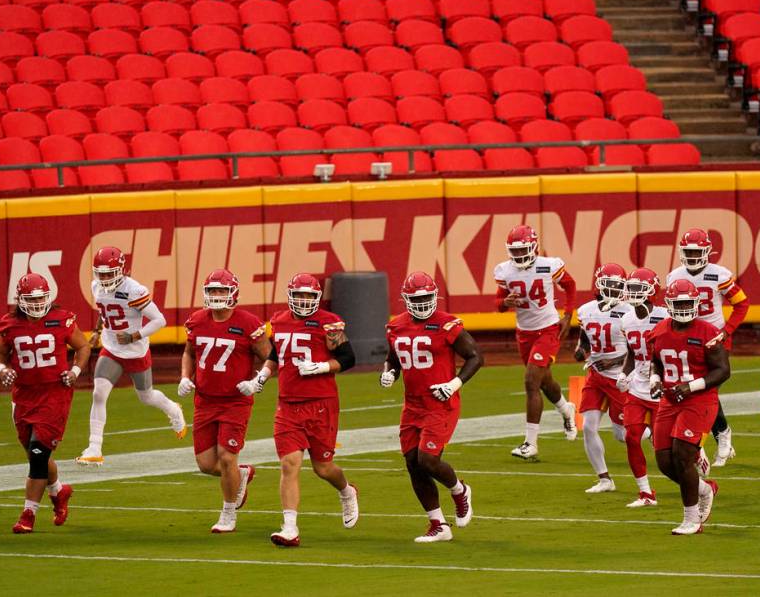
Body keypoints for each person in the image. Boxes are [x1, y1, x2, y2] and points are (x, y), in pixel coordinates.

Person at [243, 273, 360, 547]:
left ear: (317, 298)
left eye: (309, 296)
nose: (304, 300)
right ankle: (290, 528)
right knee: (289, 464)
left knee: (323, 468)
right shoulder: (281, 320)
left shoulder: (328, 323)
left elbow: (348, 357)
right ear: (290, 295)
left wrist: (322, 367)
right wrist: (262, 376)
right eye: (300, 295)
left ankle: (346, 491)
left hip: (321, 404)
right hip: (288, 405)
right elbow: (276, 353)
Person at [382, 271, 484, 542]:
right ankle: (438, 524)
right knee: (413, 464)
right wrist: (390, 372)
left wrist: (454, 384)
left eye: (427, 297)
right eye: (417, 298)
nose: (423, 303)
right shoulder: (397, 326)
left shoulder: (447, 324)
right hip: (412, 405)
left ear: (435, 296)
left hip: (441, 403)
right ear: (405, 299)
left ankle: (459, 490)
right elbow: (393, 357)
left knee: (427, 459)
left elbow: (475, 357)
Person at [0, 273, 90, 533]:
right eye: (30, 299)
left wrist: (75, 372)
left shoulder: (61, 319)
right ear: (20, 300)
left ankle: (28, 514)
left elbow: (83, 347)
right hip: (23, 396)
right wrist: (2, 369)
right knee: (35, 453)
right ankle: (59, 491)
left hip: (54, 395)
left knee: (37, 453)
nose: (36, 304)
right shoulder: (11, 324)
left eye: (40, 299)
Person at [179, 269, 271, 534]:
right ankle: (240, 475)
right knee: (207, 465)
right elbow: (189, 353)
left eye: (221, 290)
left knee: (227, 457)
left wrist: (257, 381)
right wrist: (185, 377)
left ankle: (228, 513)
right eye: (212, 291)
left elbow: (270, 357)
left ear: (233, 293)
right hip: (205, 400)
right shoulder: (197, 320)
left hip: (235, 401)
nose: (216, 296)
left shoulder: (248, 323)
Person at [77, 246, 185, 465]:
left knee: (146, 396)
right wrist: (98, 331)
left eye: (109, 273)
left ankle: (173, 409)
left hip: (135, 351)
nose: (105, 278)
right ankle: (94, 448)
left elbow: (159, 320)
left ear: (120, 270)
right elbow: (104, 311)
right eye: (101, 273)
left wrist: (136, 335)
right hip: (111, 348)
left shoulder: (134, 290)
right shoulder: (96, 285)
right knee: (98, 394)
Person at [648, 279, 730, 535]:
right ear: (669, 304)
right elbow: (656, 362)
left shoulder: (707, 332)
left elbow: (723, 371)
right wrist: (655, 379)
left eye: (687, 303)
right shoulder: (658, 331)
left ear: (696, 304)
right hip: (670, 399)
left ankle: (691, 519)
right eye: (678, 303)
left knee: (682, 455)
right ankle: (705, 488)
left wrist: (691, 386)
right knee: (663, 460)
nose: (683, 308)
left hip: (699, 400)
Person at [667, 228, 749, 467]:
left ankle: (714, 438)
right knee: (700, 392)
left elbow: (742, 304)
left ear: (706, 251)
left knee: (705, 390)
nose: (692, 256)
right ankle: (718, 435)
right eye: (688, 252)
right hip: (686, 337)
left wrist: (727, 331)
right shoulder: (674, 276)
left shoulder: (719, 274)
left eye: (696, 251)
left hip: (713, 338)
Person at [494, 224, 578, 459]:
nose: (519, 256)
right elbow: (499, 304)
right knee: (543, 380)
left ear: (534, 247)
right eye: (515, 251)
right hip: (524, 332)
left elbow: (569, 285)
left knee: (531, 380)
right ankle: (566, 409)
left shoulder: (549, 265)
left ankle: (530, 443)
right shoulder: (504, 270)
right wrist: (505, 303)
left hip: (547, 329)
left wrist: (568, 315)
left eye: (523, 250)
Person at [573, 263, 630, 493]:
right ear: (599, 286)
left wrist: (614, 362)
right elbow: (584, 337)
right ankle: (605, 479)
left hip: (621, 378)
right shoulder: (586, 310)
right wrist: (581, 350)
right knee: (588, 427)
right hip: (596, 375)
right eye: (610, 286)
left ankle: (660, 436)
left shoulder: (629, 311)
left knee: (624, 434)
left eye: (618, 286)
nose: (615, 290)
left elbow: (638, 349)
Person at [618, 267, 668, 507]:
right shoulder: (626, 319)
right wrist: (623, 373)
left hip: (662, 387)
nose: (633, 293)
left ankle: (698, 466)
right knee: (631, 437)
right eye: (631, 288)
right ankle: (646, 493)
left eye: (639, 288)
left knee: (665, 449)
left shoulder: (666, 316)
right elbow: (631, 352)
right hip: (637, 387)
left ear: (651, 290)